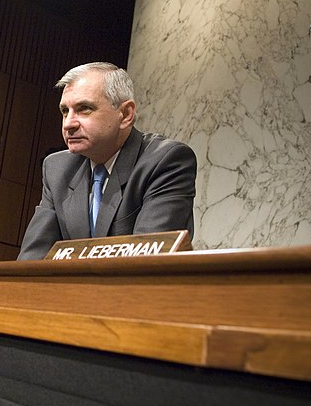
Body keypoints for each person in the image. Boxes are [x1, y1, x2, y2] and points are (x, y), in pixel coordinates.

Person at [17, 62, 197, 260]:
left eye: (84, 109)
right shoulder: (57, 168)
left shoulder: (166, 161)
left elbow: (147, 262)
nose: (68, 124)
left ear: (126, 114)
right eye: (65, 111)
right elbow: (32, 259)